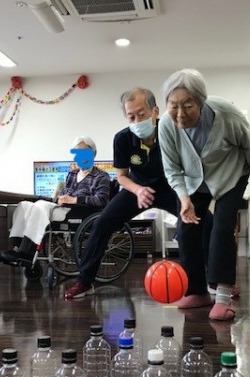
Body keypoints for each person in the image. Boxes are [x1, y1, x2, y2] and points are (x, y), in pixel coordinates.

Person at [159, 68, 250, 321]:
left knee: (222, 227)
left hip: (230, 174)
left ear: (201, 102)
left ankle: (222, 297)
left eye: (188, 105)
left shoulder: (226, 114)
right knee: (187, 228)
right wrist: (184, 199)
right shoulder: (166, 125)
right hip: (193, 181)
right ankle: (197, 291)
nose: (180, 113)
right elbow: (172, 169)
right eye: (173, 105)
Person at [64, 87, 179, 299]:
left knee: (203, 222)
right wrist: (139, 190)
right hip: (137, 188)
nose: (137, 121)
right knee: (102, 223)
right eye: (131, 117)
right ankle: (84, 281)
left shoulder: (172, 131)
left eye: (142, 114)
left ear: (155, 111)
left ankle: (217, 282)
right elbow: (122, 176)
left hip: (171, 187)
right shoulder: (122, 139)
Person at [0, 136, 110, 266]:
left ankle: (26, 253)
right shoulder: (72, 174)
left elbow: (102, 200)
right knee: (24, 205)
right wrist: (58, 197)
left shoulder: (101, 176)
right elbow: (64, 193)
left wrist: (75, 199)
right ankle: (17, 248)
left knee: (41, 206)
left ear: (93, 154)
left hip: (79, 214)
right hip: (63, 209)